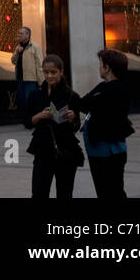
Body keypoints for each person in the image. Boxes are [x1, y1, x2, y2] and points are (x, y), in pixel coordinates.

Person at [68, 48, 133, 200]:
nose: (98, 67)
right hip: (103, 149)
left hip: (106, 150)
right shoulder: (105, 87)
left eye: (100, 64)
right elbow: (83, 103)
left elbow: (85, 104)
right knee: (109, 190)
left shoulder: (115, 89)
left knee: (110, 191)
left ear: (107, 67)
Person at [24, 54, 83, 199]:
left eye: (53, 72)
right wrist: (39, 116)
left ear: (61, 71)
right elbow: (27, 122)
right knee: (38, 193)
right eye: (46, 72)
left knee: (64, 193)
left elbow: (76, 127)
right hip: (42, 149)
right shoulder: (36, 95)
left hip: (65, 149)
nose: (49, 76)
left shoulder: (72, 96)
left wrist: (72, 117)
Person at [12, 27, 45, 114]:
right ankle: (27, 120)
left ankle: (34, 119)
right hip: (20, 78)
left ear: (28, 35)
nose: (18, 35)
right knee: (22, 101)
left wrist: (41, 82)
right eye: (18, 33)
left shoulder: (35, 47)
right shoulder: (18, 47)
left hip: (31, 79)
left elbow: (40, 65)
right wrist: (17, 53)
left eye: (21, 33)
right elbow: (13, 61)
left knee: (30, 101)